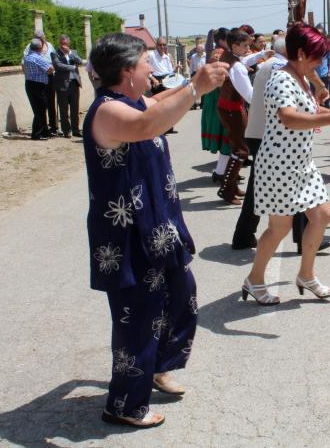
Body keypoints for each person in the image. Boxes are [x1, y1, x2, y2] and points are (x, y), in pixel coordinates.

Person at [84, 32, 228, 427]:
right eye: (146, 63)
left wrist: (192, 85)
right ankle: (125, 406)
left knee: (181, 294)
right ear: (128, 71)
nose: (153, 69)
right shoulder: (109, 111)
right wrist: (196, 86)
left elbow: (159, 104)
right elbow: (149, 124)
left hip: (159, 225)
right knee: (138, 315)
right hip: (129, 234)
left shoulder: (133, 99)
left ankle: (157, 368)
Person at [243, 25, 330, 305]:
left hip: (301, 163)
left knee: (322, 216)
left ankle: (306, 274)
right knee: (279, 228)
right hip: (279, 165)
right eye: (318, 57)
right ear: (302, 53)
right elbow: (289, 117)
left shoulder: (301, 77)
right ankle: (255, 279)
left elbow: (312, 110)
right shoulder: (282, 80)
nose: (321, 63)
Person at [232, 36, 288, 250]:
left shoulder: (270, 64)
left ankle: (243, 235)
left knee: (259, 185)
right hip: (268, 133)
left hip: (260, 131)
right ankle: (304, 237)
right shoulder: (280, 67)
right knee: (295, 181)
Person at [217, 30, 255, 205]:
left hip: (227, 107)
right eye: (245, 45)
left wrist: (263, 55)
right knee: (241, 150)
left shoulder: (228, 56)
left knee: (239, 148)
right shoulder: (237, 67)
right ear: (235, 46)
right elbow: (249, 95)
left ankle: (230, 186)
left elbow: (244, 61)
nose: (248, 48)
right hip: (232, 110)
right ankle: (226, 189)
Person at [200, 28, 233, 184]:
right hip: (218, 95)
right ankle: (222, 172)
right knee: (227, 132)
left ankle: (226, 170)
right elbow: (220, 75)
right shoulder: (219, 53)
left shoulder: (220, 52)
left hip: (218, 94)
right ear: (222, 40)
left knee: (230, 134)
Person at [24, 30, 58, 136]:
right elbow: (50, 69)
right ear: (39, 47)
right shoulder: (38, 58)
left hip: (30, 83)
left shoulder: (27, 57)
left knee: (38, 108)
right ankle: (37, 133)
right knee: (41, 108)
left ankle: (44, 130)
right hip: (39, 85)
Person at [51, 35, 84, 138]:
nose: (63, 46)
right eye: (62, 43)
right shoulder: (55, 53)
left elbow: (80, 61)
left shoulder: (73, 52)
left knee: (75, 109)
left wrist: (69, 53)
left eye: (65, 44)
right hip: (62, 85)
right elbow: (58, 65)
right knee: (64, 110)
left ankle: (76, 130)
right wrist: (72, 67)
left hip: (74, 83)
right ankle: (66, 131)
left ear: (68, 43)